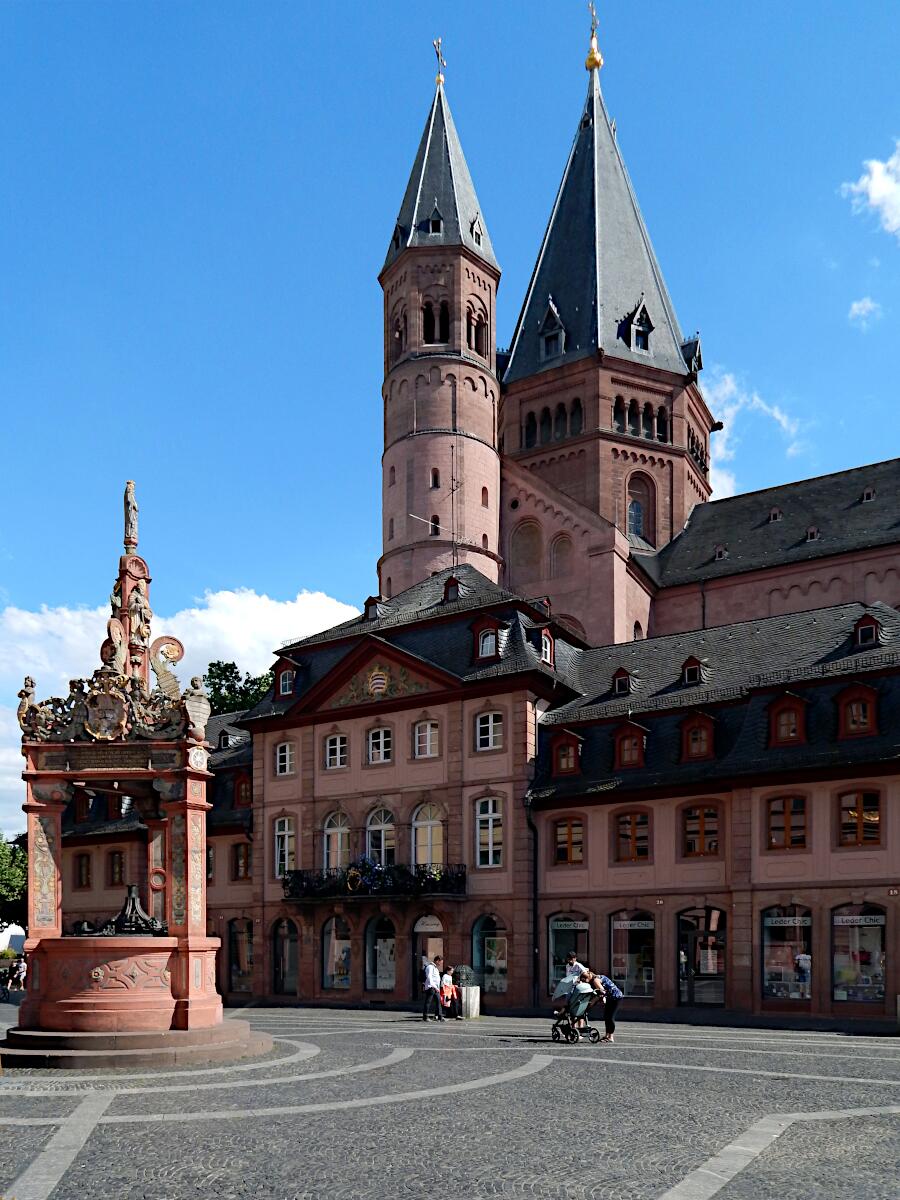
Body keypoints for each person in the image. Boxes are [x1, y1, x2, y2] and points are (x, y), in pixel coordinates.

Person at [592, 971, 624, 1042]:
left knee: (610, 1017)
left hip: (616, 997)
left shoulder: (595, 980)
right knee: (606, 1016)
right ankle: (607, 1035)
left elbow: (602, 991)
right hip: (610, 997)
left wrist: (594, 1001)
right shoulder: (600, 976)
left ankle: (611, 1037)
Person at [422, 954, 445, 1022]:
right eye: (440, 962)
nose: (441, 964)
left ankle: (440, 1017)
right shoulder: (430, 967)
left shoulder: (435, 968)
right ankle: (425, 1016)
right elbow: (429, 977)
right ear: (437, 961)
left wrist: (437, 988)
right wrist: (434, 987)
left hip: (435, 988)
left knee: (438, 1002)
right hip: (431, 987)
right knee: (428, 1002)